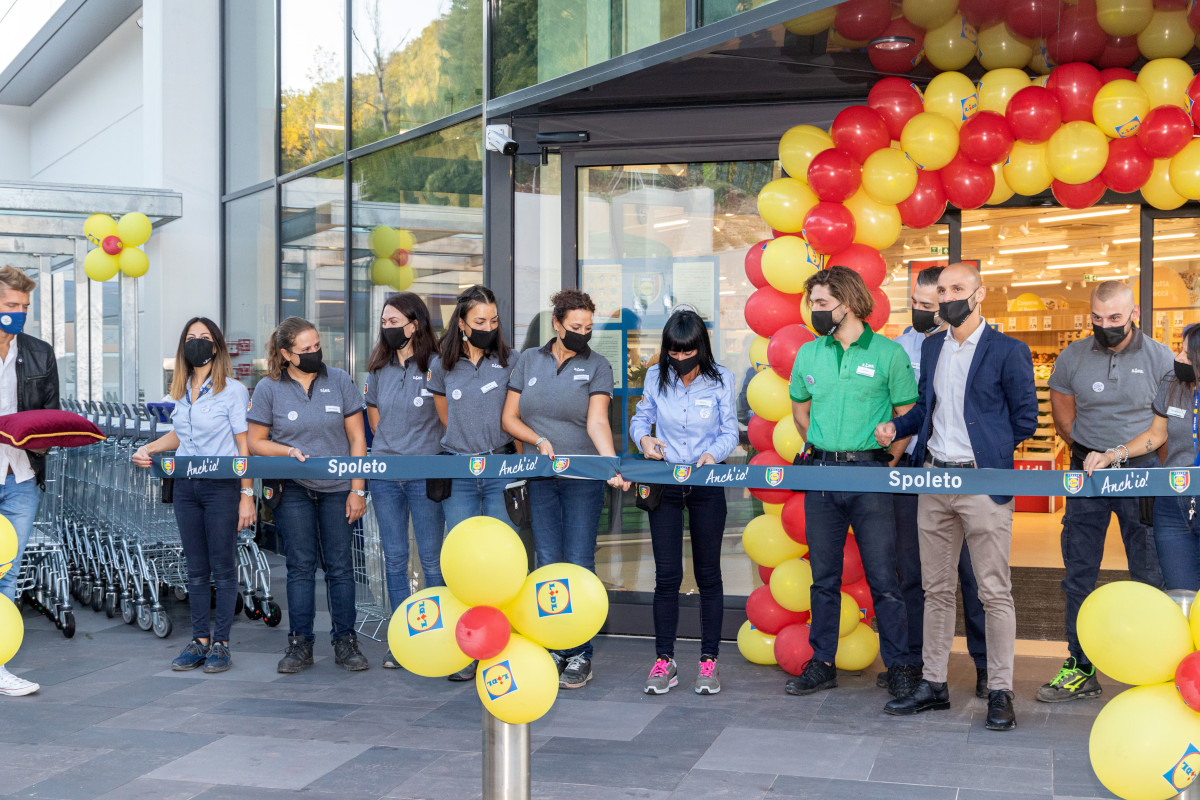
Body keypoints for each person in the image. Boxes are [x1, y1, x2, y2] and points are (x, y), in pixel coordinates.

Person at [878, 262, 1037, 732]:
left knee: (993, 591)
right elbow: (927, 408)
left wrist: (986, 449)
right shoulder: (931, 348)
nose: (947, 297)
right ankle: (933, 683)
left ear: (979, 294)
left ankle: (1002, 689)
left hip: (983, 482)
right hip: (933, 480)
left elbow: (1025, 418)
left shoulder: (1009, 351)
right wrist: (898, 427)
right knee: (936, 589)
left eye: (957, 289)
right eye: (941, 289)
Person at [783, 266, 920, 704]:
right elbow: (800, 411)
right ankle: (822, 663)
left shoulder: (888, 353)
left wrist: (885, 463)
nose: (815, 312)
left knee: (884, 578)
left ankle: (899, 666)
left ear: (848, 302)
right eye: (813, 304)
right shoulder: (809, 354)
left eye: (822, 304)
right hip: (822, 477)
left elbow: (906, 414)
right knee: (823, 577)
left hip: (872, 477)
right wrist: (823, 449)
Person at [1039, 281, 1170, 703]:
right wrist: (1083, 447)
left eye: (1114, 318)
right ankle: (1080, 666)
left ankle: (1155, 666)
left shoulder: (1160, 358)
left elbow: (1162, 430)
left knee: (1149, 574)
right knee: (1079, 572)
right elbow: (1061, 408)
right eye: (1097, 318)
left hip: (1141, 474)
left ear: (1133, 314)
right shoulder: (1073, 356)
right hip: (1088, 474)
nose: (1105, 326)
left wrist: (1123, 455)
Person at [503, 289, 628, 689]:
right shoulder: (528, 361)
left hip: (583, 481)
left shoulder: (598, 366)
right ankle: (552, 646)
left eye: (589, 328)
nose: (583, 334)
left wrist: (609, 465)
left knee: (578, 564)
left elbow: (597, 422)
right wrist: (538, 440)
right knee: (547, 564)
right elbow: (510, 417)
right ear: (556, 325)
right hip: (541, 478)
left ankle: (580, 652)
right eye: (575, 327)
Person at [132, 318, 255, 674]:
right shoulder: (182, 390)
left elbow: (242, 446)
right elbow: (179, 436)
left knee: (223, 565)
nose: (197, 343)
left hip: (221, 487)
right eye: (190, 338)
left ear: (216, 346)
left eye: (204, 338)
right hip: (186, 485)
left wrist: (247, 494)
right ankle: (200, 640)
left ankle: (222, 644)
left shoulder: (233, 391)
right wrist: (149, 448)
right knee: (196, 567)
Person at [890, 267, 991, 700]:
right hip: (923, 472)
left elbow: (1016, 416)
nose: (924, 309)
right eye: (918, 302)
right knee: (924, 579)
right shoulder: (911, 348)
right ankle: (922, 670)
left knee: (975, 580)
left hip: (972, 477)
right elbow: (917, 410)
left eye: (932, 304)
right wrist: (894, 431)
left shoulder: (990, 347)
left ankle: (986, 668)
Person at [247, 317, 369, 674]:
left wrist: (356, 489)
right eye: (306, 349)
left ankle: (345, 642)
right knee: (300, 566)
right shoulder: (269, 388)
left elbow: (358, 439)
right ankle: (300, 644)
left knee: (340, 566)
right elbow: (255, 442)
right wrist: (287, 452)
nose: (315, 352)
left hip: (338, 488)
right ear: (286, 354)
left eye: (317, 345)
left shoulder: (341, 381)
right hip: (293, 488)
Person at [630, 306, 738, 696]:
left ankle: (709, 661)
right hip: (667, 486)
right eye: (672, 353)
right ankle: (665, 661)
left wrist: (714, 455)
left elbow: (731, 431)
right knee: (667, 576)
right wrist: (644, 440)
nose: (679, 360)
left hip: (707, 484)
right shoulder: (657, 378)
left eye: (686, 352)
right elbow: (641, 419)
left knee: (709, 575)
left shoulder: (721, 379)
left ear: (700, 348)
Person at [428, 284, 515, 682]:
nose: (488, 327)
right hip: (458, 474)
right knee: (463, 563)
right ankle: (468, 648)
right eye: (480, 321)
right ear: (461, 323)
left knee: (502, 560)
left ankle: (504, 644)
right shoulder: (440, 366)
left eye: (494, 321)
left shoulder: (510, 361)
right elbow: (446, 417)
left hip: (500, 471)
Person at [1083, 324, 1200, 589]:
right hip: (1173, 505)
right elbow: (1155, 436)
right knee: (1180, 592)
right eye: (1180, 351)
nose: (1178, 358)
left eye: (1187, 355)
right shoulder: (1173, 383)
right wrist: (1112, 455)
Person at [365, 292, 446, 670]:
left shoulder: (437, 365)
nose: (387, 327)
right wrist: (390, 448)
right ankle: (403, 638)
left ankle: (436, 637)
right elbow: (374, 414)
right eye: (384, 322)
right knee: (394, 558)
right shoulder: (378, 368)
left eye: (394, 321)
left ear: (415, 324)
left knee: (431, 559)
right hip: (384, 475)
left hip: (425, 475)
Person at [0, 265, 57, 698]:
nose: (18, 313)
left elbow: (51, 415)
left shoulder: (39, 352)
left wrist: (38, 444)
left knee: (8, 575)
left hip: (20, 477)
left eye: (24, 307)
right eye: (10, 305)